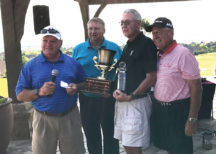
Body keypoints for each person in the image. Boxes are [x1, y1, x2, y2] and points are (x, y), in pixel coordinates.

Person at [15, 26, 86, 154]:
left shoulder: (73, 64)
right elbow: (20, 95)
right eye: (45, 40)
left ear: (60, 43)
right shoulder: (30, 66)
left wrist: (76, 87)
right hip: (42, 119)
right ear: (41, 42)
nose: (48, 44)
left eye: (53, 41)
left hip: (69, 117)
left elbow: (84, 83)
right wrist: (39, 92)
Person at [145, 17, 202, 154]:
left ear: (171, 32)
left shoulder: (183, 54)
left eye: (158, 32)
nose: (155, 36)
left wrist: (192, 119)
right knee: (165, 148)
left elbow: (197, 88)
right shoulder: (158, 55)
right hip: (160, 111)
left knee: (181, 150)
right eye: (153, 33)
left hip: (178, 112)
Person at [72, 17, 122, 154]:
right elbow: (73, 72)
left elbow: (124, 71)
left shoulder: (115, 48)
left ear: (104, 30)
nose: (93, 32)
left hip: (108, 98)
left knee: (111, 135)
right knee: (91, 134)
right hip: (87, 98)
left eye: (97, 28)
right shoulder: (78, 49)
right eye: (90, 29)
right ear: (87, 30)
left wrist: (118, 88)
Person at [112, 9, 157, 154]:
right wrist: (117, 90)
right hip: (123, 102)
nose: (124, 26)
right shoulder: (128, 45)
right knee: (126, 144)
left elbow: (151, 77)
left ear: (138, 23)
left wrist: (131, 95)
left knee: (134, 146)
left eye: (127, 22)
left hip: (136, 102)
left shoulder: (146, 44)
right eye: (122, 23)